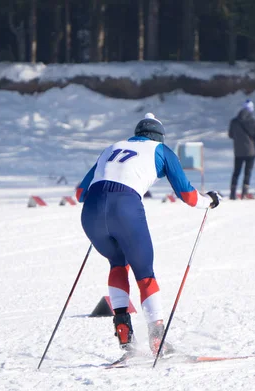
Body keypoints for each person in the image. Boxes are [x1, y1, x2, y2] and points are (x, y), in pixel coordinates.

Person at [75, 113, 221, 356]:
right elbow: (188, 195)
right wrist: (211, 201)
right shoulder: (162, 150)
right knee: (145, 274)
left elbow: (80, 192)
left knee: (117, 264)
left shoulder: (112, 148)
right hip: (125, 209)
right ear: (159, 136)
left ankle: (123, 330)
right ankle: (157, 340)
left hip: (91, 213)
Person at [228, 99, 255, 200]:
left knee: (236, 171)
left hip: (238, 150)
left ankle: (232, 193)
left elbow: (231, 135)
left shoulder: (234, 121)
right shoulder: (253, 121)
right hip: (251, 151)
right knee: (248, 172)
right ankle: (244, 193)